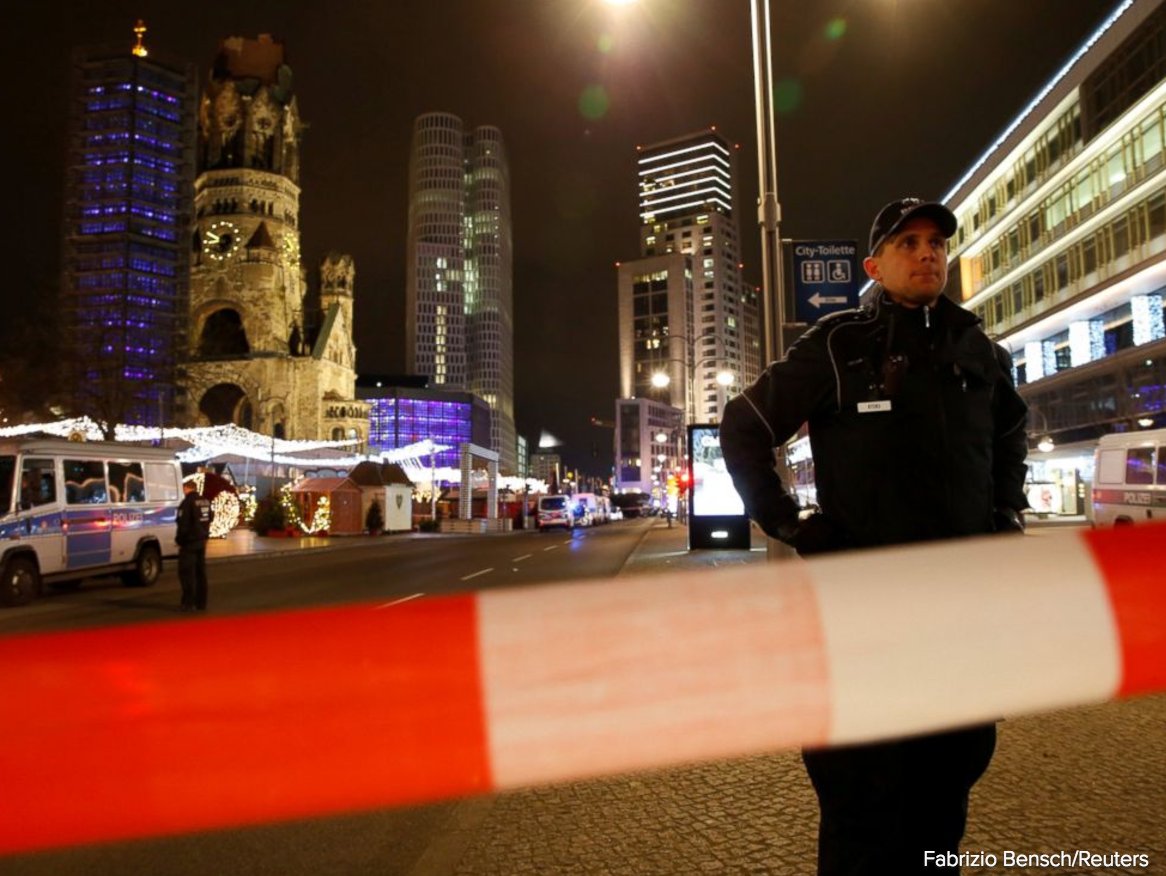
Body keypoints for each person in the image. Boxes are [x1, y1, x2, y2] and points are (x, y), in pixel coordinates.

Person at [720, 197, 1029, 875]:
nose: (927, 254)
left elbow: (1012, 431)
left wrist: (1007, 512)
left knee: (946, 795)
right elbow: (743, 427)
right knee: (862, 805)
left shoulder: (978, 349)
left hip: (959, 620)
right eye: (907, 243)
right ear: (874, 266)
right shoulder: (840, 346)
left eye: (936, 244)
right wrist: (791, 522)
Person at [175, 479, 214, 612]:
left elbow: (183, 524)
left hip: (189, 542)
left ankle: (188, 603)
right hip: (201, 541)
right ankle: (201, 603)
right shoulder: (205, 501)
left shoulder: (187, 503)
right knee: (200, 573)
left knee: (187, 573)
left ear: (186, 488)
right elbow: (210, 518)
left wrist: (179, 540)